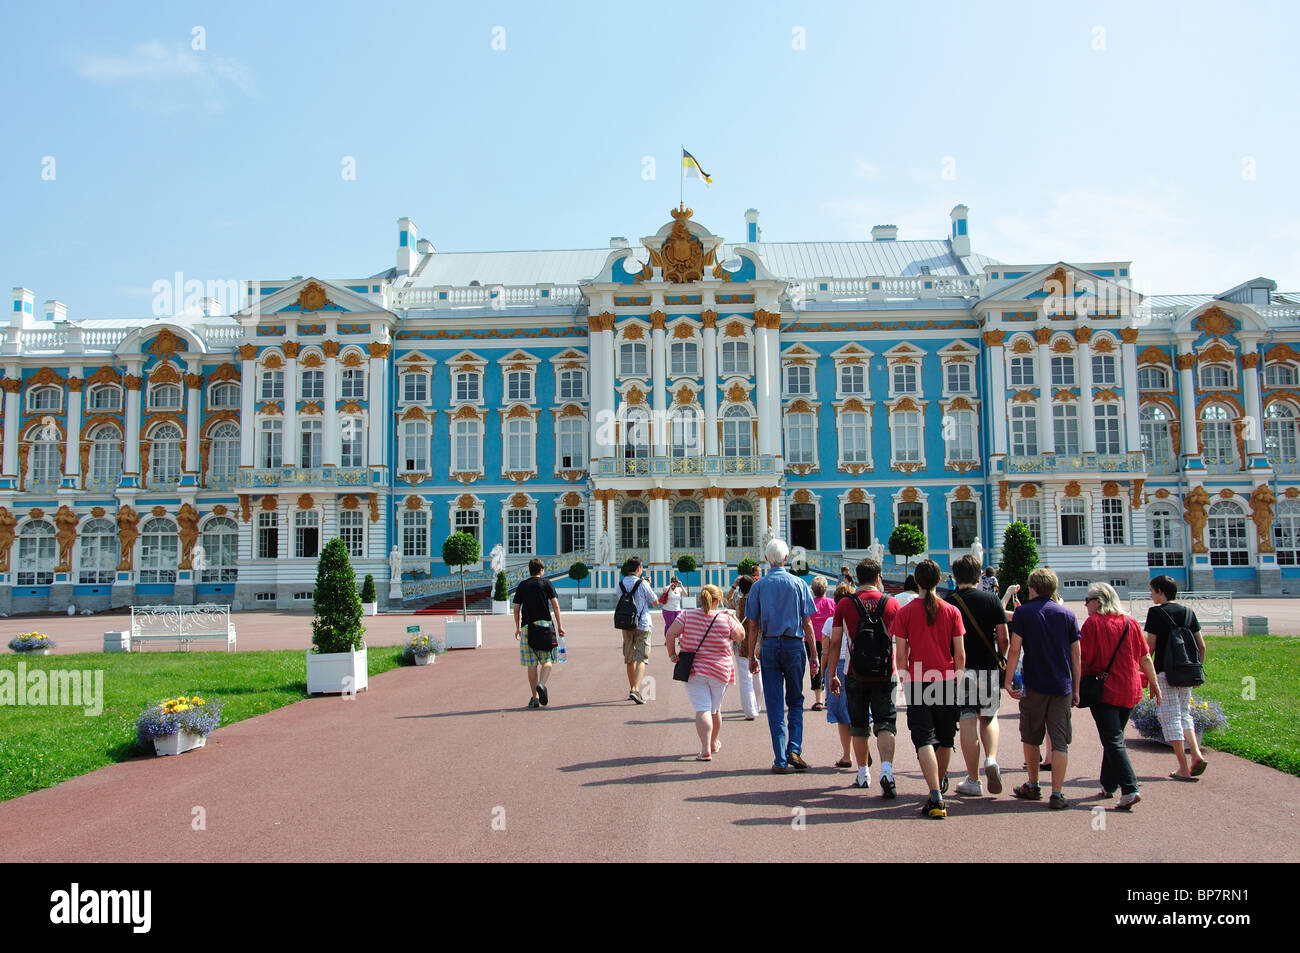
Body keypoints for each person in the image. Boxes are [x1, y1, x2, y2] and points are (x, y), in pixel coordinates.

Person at [893, 559, 964, 818]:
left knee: (924, 738)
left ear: (917, 581)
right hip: (945, 678)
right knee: (946, 738)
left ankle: (935, 794)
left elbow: (901, 655)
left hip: (918, 679)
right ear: (940, 580)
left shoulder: (906, 612)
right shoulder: (952, 611)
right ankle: (939, 787)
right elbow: (960, 655)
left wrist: (903, 678)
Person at [1082, 583, 1161, 809]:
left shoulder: (1093, 623)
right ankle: (1108, 784)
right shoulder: (1131, 622)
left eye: (1088, 600)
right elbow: (1145, 657)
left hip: (1104, 690)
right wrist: (1154, 684)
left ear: (1098, 601)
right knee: (1114, 736)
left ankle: (1130, 788)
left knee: (1113, 739)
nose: (1086, 604)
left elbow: (1083, 657)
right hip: (1130, 688)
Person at [1006, 568, 1080, 809]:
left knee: (1031, 735)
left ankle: (1033, 783)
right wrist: (1076, 687)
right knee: (1060, 741)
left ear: (1033, 588)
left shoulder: (1024, 613)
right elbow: (1076, 656)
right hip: (1061, 685)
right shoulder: (1067, 615)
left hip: (1034, 683)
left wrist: (1008, 680)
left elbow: (1015, 649)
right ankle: (1057, 793)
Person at [826, 558, 900, 796]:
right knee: (886, 723)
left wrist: (832, 674)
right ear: (879, 578)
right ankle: (887, 771)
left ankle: (863, 773)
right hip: (887, 672)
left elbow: (835, 642)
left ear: (857, 578)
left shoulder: (846, 604)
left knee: (859, 726)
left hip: (855, 672)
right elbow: (901, 639)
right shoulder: (891, 603)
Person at [745, 538, 818, 774]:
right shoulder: (799, 584)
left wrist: (750, 657)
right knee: (796, 700)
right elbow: (807, 623)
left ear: (766, 559)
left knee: (774, 703)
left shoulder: (758, 586)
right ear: (787, 559)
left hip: (769, 646)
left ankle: (780, 758)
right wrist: (815, 655)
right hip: (794, 645)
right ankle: (794, 748)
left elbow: (753, 626)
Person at [945, 554, 1007, 797]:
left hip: (961, 668)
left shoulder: (949, 602)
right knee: (989, 717)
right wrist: (1001, 656)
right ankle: (991, 759)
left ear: (955, 576)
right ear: (979, 575)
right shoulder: (991, 599)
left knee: (968, 719)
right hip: (988, 665)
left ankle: (973, 779)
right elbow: (1003, 637)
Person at [666, 584, 747, 761]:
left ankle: (705, 749)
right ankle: (713, 742)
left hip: (694, 669)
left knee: (703, 708)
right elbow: (741, 636)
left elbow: (670, 634)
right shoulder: (725, 618)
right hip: (720, 670)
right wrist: (734, 618)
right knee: (715, 709)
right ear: (717, 601)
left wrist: (672, 654)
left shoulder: (687, 615)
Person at [1143, 575, 1208, 781]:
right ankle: (1196, 754)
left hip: (1164, 671)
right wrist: (1196, 671)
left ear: (1160, 592)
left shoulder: (1155, 613)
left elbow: (1150, 648)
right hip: (1186, 671)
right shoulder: (1188, 612)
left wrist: (1148, 677)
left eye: (1152, 591)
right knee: (1184, 713)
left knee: (1170, 716)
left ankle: (1183, 767)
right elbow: (1202, 646)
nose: (1151, 595)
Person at [513, 557, 565, 709]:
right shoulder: (546, 583)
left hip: (527, 627)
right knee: (547, 660)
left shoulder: (522, 585)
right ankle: (541, 684)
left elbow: (516, 609)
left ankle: (535, 698)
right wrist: (560, 626)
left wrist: (517, 628)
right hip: (544, 626)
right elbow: (555, 606)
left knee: (531, 664)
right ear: (542, 570)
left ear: (529, 571)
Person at [821, 581, 855, 771]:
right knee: (856, 709)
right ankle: (862, 750)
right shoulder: (856, 618)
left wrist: (824, 671)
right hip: (854, 665)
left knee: (842, 714)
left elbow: (826, 649)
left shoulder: (830, 621)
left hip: (837, 665)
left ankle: (847, 755)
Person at [617, 557, 658, 704]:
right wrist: (648, 585)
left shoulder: (620, 584)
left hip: (627, 624)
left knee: (629, 658)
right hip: (643, 624)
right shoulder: (643, 584)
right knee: (642, 657)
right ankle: (635, 689)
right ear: (639, 568)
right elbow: (655, 601)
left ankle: (633, 689)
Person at [728, 575, 764, 719]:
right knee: (758, 675)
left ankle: (750, 711)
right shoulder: (759, 600)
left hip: (741, 643)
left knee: (745, 678)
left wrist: (734, 585)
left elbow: (726, 600)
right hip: (757, 643)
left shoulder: (738, 600)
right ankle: (758, 705)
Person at [808, 576, 835, 711]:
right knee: (830, 666)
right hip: (828, 638)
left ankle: (818, 700)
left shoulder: (810, 603)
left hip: (811, 639)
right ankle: (829, 698)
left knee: (814, 667)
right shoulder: (832, 603)